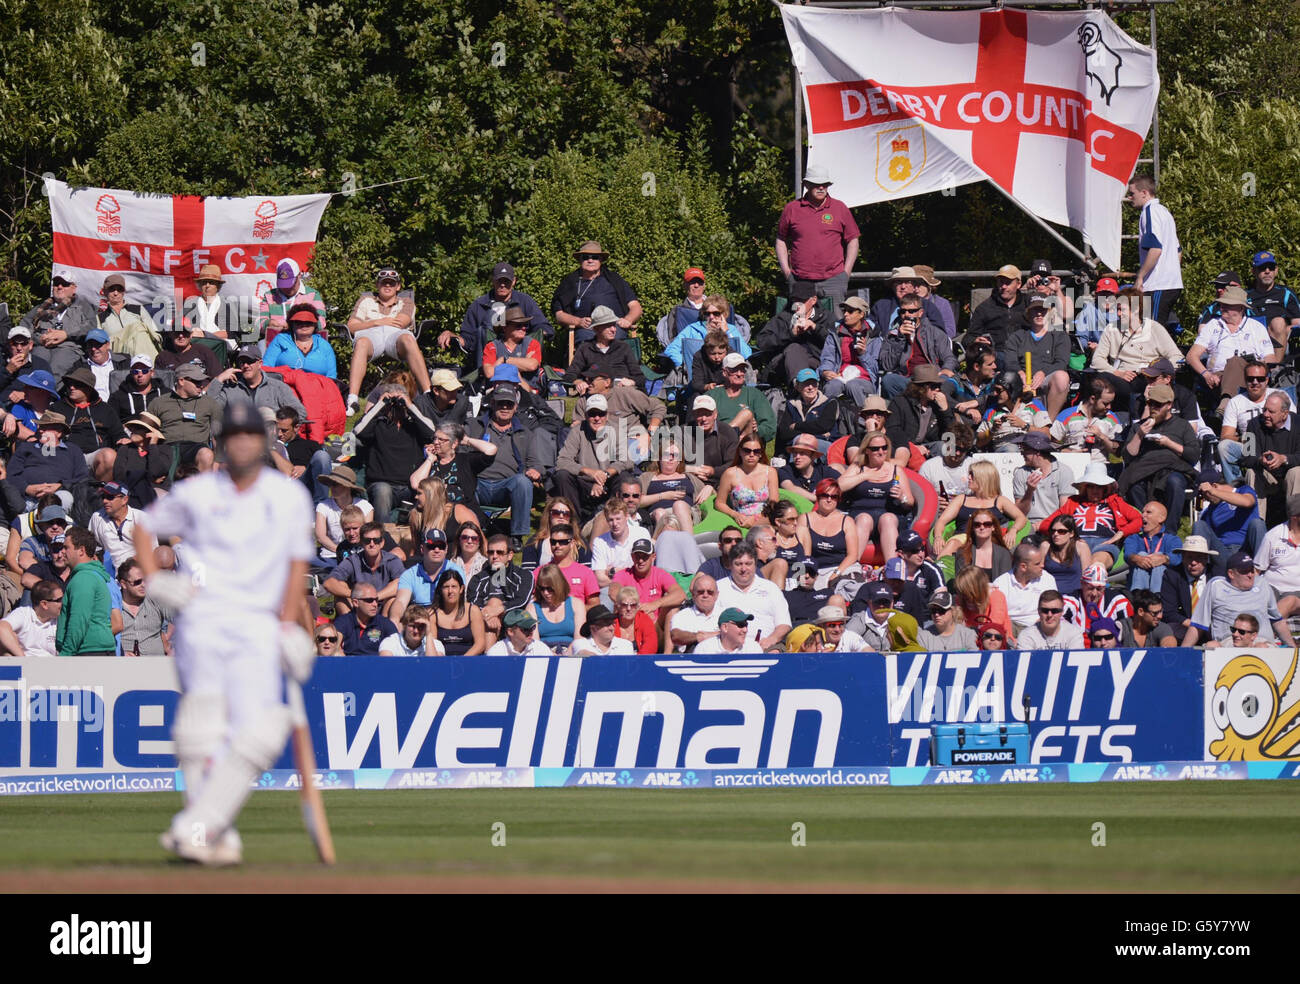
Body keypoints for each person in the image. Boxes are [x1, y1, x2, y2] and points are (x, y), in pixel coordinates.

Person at [132, 397, 315, 864]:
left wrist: (289, 624)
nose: (242, 444)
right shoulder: (197, 493)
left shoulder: (286, 496)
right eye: (233, 437)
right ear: (220, 443)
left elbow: (297, 564)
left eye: (249, 435)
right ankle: (209, 830)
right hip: (204, 619)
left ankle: (200, 826)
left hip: (256, 622)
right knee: (202, 727)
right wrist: (155, 578)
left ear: (264, 440)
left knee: (263, 729)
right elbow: (144, 528)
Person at [342, 269, 426, 414]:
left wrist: (367, 322)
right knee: (361, 342)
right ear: (377, 285)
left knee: (408, 338)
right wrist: (377, 322)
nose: (388, 286)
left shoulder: (406, 302)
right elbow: (352, 326)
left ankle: (427, 394)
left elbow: (402, 322)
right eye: (384, 283)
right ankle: (353, 399)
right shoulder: (365, 301)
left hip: (396, 337)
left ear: (398, 286)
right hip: (371, 337)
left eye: (392, 284)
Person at [775, 165, 860, 306]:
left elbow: (853, 240)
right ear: (806, 185)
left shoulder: (840, 208)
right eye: (816, 184)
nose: (821, 188)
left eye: (825, 184)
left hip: (834, 280)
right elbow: (780, 240)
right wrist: (787, 273)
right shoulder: (792, 209)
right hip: (800, 280)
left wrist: (846, 273)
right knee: (800, 323)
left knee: (835, 325)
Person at [1120, 383, 1198, 536]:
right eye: (1150, 403)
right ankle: (1148, 526)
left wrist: (1169, 443)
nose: (1153, 407)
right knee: (1134, 483)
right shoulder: (1140, 426)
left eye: (1158, 404)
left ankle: (1169, 531)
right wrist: (1139, 435)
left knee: (1175, 482)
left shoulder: (1182, 425)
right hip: (1144, 469)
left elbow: (1193, 455)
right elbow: (1128, 456)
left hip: (1173, 468)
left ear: (1169, 405)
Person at [1090, 287, 1184, 410]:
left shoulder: (1154, 328)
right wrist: (1117, 373)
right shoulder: (1111, 329)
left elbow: (1177, 357)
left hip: (1149, 377)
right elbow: (1097, 360)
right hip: (1122, 377)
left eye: (1121, 310)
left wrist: (1161, 375)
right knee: (1098, 379)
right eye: (1117, 309)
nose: (1118, 314)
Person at [1038, 463, 1141, 571]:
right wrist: (1064, 534)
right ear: (1084, 488)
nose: (1095, 490)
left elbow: (1139, 520)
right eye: (1091, 486)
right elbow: (1046, 525)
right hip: (1076, 544)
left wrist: (1121, 533)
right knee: (1073, 564)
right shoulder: (1073, 502)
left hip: (1105, 543)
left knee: (1095, 566)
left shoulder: (1115, 501)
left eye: (1099, 487)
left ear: (1105, 488)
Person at [455, 261, 552, 374]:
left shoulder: (525, 301)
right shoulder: (479, 305)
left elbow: (545, 329)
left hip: (520, 362)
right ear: (493, 280)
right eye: (499, 280)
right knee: (482, 330)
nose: (502, 285)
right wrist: (455, 338)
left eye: (507, 281)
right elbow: (467, 339)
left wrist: (532, 347)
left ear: (514, 281)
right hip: (486, 364)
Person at [1186, 286, 1276, 407]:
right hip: (1218, 378)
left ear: (1241, 308)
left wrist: (1259, 370)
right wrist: (1206, 374)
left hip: (1251, 378)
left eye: (1228, 304)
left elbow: (1270, 358)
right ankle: (1228, 405)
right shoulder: (1213, 325)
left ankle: (1226, 405)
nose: (1223, 307)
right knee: (1234, 362)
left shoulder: (1256, 327)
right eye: (1222, 304)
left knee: (1235, 362)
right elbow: (1191, 356)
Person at [1183, 551, 1294, 647]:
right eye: (1245, 571)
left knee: (1261, 647)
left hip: (1263, 642)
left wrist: (1294, 650)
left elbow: (1277, 621)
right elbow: (1198, 624)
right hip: (1231, 643)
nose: (1250, 575)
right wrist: (1182, 653)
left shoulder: (1262, 584)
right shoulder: (1216, 586)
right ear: (1231, 573)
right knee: (1212, 645)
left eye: (1252, 570)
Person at [551, 241, 642, 347]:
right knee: (587, 348)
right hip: (587, 331)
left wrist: (628, 320)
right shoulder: (569, 282)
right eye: (585, 257)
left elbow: (636, 307)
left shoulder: (614, 280)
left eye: (594, 257)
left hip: (614, 329)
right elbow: (559, 314)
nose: (590, 260)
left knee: (618, 347)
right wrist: (578, 321)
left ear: (601, 260)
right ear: (580, 260)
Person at [837, 435, 908, 562]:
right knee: (865, 519)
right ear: (867, 450)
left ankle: (893, 569)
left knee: (888, 519)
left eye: (884, 447)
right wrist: (865, 476)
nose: (881, 452)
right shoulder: (858, 467)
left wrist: (902, 497)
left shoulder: (896, 470)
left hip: (888, 516)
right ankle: (851, 566)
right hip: (860, 515)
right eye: (875, 449)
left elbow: (910, 502)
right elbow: (839, 486)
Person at [51, 364, 126, 483]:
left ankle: (101, 494)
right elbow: (45, 434)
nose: (71, 387)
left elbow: (119, 434)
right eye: (69, 383)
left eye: (77, 385)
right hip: (65, 455)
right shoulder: (57, 408)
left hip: (95, 458)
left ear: (88, 388)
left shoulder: (105, 409)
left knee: (109, 455)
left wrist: (123, 439)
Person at [932, 459, 1027, 553]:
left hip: (989, 540)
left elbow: (1021, 518)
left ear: (983, 478)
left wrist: (1013, 530)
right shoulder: (961, 499)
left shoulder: (1000, 501)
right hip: (962, 539)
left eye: (972, 475)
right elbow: (942, 521)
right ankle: (941, 566)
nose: (968, 477)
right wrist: (938, 537)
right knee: (952, 543)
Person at [1126, 174, 1182, 329]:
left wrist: (1141, 276)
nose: (1130, 198)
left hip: (1158, 284)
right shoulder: (1165, 212)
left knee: (1151, 331)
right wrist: (1171, 271)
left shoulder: (1149, 212)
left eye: (1132, 193)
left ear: (1144, 193)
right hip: (1170, 283)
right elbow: (1178, 250)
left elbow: (1155, 248)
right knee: (1157, 331)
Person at [875, 295, 957, 400]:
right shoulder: (893, 335)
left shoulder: (934, 332)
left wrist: (946, 369)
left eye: (911, 311)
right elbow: (887, 365)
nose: (906, 315)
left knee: (946, 382)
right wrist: (900, 338)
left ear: (920, 312)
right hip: (909, 380)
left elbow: (949, 357)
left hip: (932, 378)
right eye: (903, 311)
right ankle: (908, 410)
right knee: (889, 380)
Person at [1001, 296, 1072, 417]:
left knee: (1062, 377)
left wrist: (1043, 372)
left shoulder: (1060, 336)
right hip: (1022, 380)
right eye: (1035, 310)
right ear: (1028, 314)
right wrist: (1019, 372)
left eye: (1043, 310)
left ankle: (1049, 423)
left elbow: (1062, 362)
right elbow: (1009, 360)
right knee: (1006, 377)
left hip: (1046, 378)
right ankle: (1010, 419)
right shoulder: (1018, 336)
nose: (1039, 314)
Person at [8, 411, 90, 514]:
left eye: (45, 428)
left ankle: (43, 518)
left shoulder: (73, 451)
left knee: (65, 497)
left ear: (59, 432)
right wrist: (26, 488)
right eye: (40, 427)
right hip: (26, 499)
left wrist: (60, 486)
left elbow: (82, 479)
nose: (40, 430)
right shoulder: (26, 447)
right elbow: (11, 475)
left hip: (57, 497)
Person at [1237, 392, 1300, 526]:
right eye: (1264, 409)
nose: (1265, 414)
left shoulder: (1298, 424)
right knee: (1251, 473)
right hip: (1267, 477)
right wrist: (1260, 460)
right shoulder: (1253, 424)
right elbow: (1245, 458)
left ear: (1285, 413)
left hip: (1290, 478)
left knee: (1296, 472)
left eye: (1271, 412)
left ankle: (1295, 527)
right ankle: (1255, 527)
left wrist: (1284, 459)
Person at [22, 269, 98, 377]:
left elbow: (91, 326)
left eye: (65, 284)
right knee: (37, 369)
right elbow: (24, 327)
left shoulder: (84, 306)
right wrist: (39, 339)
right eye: (56, 284)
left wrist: (66, 334)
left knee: (55, 370)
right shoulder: (41, 308)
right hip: (42, 346)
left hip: (69, 348)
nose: (60, 287)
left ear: (74, 288)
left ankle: (49, 393)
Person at [716, 543, 791, 652]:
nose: (743, 568)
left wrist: (772, 639)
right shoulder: (718, 588)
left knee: (775, 653)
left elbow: (784, 624)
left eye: (748, 563)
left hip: (766, 647)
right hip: (727, 647)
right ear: (730, 565)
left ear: (755, 564)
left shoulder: (771, 588)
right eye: (738, 564)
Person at [662, 294, 751, 384]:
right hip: (699, 374)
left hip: (726, 376)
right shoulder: (693, 329)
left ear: (724, 314)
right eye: (707, 313)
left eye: (716, 313)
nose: (711, 317)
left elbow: (746, 354)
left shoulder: (731, 329)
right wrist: (686, 366)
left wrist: (726, 332)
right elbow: (671, 349)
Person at [322, 521, 405, 615]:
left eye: (376, 540)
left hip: (383, 607)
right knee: (340, 597)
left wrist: (374, 597)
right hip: (359, 608)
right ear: (361, 542)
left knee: (393, 598)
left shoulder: (392, 560)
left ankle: (387, 627)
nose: (372, 544)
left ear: (382, 543)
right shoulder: (353, 561)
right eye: (367, 540)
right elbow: (328, 583)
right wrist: (357, 595)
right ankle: (351, 627)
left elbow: (402, 583)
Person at [1192, 467, 1265, 573]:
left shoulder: (1243, 490)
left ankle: (1260, 571)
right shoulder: (1210, 511)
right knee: (1199, 525)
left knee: (1258, 523)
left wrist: (1213, 491)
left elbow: (1247, 502)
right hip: (1224, 554)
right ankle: (1201, 575)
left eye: (1204, 494)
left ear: (1214, 486)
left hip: (1247, 549)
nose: (1205, 499)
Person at [755, 288, 832, 388]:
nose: (797, 305)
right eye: (795, 301)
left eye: (802, 301)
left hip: (817, 362)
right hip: (785, 362)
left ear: (813, 300)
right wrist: (790, 334)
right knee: (794, 348)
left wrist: (815, 328)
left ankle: (802, 391)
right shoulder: (782, 318)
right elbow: (762, 342)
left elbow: (837, 343)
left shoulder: (826, 317)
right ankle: (800, 389)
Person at [1218, 359, 1279, 483]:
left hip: (1277, 443)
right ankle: (1238, 489)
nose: (1255, 382)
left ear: (1267, 380)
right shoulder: (1236, 402)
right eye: (1250, 379)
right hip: (1250, 445)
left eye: (1260, 379)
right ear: (1245, 380)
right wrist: (1244, 438)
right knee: (1224, 447)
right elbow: (1225, 436)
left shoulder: (1279, 397)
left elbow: (1292, 425)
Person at [468, 533, 535, 644]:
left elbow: (521, 600)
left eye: (499, 552)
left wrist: (500, 610)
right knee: (491, 617)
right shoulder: (478, 579)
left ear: (510, 555)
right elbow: (474, 602)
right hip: (487, 623)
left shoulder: (524, 575)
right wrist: (488, 616)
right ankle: (490, 660)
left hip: (516, 620)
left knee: (495, 604)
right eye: (490, 552)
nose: (494, 556)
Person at [390, 528, 465, 625]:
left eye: (441, 546)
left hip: (447, 622)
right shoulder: (410, 574)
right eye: (431, 546)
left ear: (446, 549)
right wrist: (394, 619)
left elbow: (460, 605)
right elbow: (400, 602)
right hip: (418, 623)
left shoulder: (456, 572)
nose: (437, 550)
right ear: (422, 549)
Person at [884, 365, 954, 468]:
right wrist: (913, 448)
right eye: (934, 386)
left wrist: (945, 411)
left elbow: (950, 437)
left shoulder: (937, 405)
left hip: (928, 447)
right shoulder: (900, 403)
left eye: (939, 386)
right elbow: (893, 432)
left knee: (947, 447)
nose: (938, 389)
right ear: (922, 388)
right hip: (904, 447)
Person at [799, 478, 860, 585]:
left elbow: (853, 555)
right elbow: (801, 552)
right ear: (818, 496)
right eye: (825, 495)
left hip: (842, 568)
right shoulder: (804, 519)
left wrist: (836, 573)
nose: (829, 499)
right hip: (816, 570)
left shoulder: (847, 521)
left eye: (834, 497)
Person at [707, 353, 775, 445]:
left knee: (746, 415)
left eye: (742, 369)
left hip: (747, 446)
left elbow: (770, 427)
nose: (739, 374)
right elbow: (700, 423)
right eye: (734, 370)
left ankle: (729, 443)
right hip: (716, 444)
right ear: (724, 372)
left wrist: (757, 429)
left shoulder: (755, 395)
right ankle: (726, 442)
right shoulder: (712, 395)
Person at [819, 296, 876, 406]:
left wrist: (863, 354)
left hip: (865, 379)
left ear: (861, 314)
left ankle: (863, 418)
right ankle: (825, 420)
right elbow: (828, 357)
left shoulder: (874, 335)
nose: (845, 314)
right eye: (844, 311)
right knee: (832, 386)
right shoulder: (835, 332)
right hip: (839, 375)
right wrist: (826, 371)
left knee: (853, 385)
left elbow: (876, 367)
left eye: (850, 311)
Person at [714, 437, 778, 531]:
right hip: (741, 520)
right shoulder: (730, 474)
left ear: (761, 454)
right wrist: (735, 515)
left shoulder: (770, 472)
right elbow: (719, 503)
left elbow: (774, 504)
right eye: (746, 450)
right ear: (740, 452)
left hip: (765, 518)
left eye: (756, 451)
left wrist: (756, 519)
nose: (751, 455)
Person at [976, 370, 1051, 452]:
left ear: (1012, 389)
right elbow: (979, 442)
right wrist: (992, 430)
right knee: (1011, 449)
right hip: (1004, 452)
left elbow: (1047, 435)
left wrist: (1024, 425)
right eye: (994, 389)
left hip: (1030, 450)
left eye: (998, 390)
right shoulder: (992, 410)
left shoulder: (1034, 405)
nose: (994, 394)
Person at [992, 541, 1057, 633]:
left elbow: (1053, 608)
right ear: (1023, 567)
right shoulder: (1001, 583)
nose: (1042, 566)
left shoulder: (1047, 579)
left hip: (1039, 626)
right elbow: (998, 616)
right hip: (1009, 627)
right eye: (1037, 564)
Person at [1051, 378, 1120, 463]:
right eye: (1105, 404)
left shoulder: (1112, 418)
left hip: (1099, 467)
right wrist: (1068, 452)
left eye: (1111, 403)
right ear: (1092, 399)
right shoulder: (1067, 415)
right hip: (1072, 463)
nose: (1109, 407)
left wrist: (1102, 436)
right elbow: (1051, 445)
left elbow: (1118, 452)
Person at [962, 264, 1026, 356]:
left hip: (1024, 353)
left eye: (1008, 282)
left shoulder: (1028, 304)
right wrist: (975, 340)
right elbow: (968, 338)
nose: (1003, 286)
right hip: (997, 355)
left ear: (1018, 284)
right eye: (1000, 282)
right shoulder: (984, 308)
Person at [263, 301, 338, 380]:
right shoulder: (280, 339)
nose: (304, 325)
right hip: (285, 386)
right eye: (299, 322)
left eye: (308, 322)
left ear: (315, 324)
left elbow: (331, 376)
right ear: (292, 324)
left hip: (318, 387)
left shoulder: (324, 345)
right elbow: (266, 368)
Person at [482, 303, 544, 394]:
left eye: (525, 325)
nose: (523, 328)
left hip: (526, 391)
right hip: (499, 391)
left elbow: (532, 365)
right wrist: (523, 362)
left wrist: (503, 360)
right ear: (505, 328)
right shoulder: (491, 346)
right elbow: (489, 373)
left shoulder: (532, 344)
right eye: (518, 325)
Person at [1247, 249, 1300, 354]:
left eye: (1270, 268)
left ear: (1276, 270)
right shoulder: (1245, 296)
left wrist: (1280, 331)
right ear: (1254, 271)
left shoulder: (1286, 293)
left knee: (1278, 322)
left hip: (1278, 344)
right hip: (1251, 343)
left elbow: (1298, 323)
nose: (1267, 271)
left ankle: (1275, 365)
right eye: (1262, 268)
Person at [88, 480, 149, 572]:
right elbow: (92, 546)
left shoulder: (141, 518)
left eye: (110, 497)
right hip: (108, 572)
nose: (105, 501)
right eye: (103, 497)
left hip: (138, 572)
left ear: (124, 500)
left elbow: (151, 550)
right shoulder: (97, 517)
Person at [1161, 536, 1215, 637]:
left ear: (1206, 558)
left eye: (1198, 558)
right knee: (1169, 630)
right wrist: (1195, 626)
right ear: (1183, 557)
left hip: (1212, 626)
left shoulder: (1216, 575)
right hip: (1185, 626)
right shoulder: (1172, 575)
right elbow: (1169, 612)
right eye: (1189, 557)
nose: (1193, 563)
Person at [116, 558, 171, 656]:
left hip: (155, 665)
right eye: (137, 582)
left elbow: (179, 616)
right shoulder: (114, 606)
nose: (143, 585)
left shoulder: (154, 599)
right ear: (123, 584)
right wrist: (121, 653)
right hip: (125, 666)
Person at [1122, 502, 1182, 593]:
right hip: (1138, 580)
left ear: (1161, 518)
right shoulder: (1134, 538)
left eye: (1148, 512)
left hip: (1165, 584)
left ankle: (1157, 597)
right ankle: (1139, 597)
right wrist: (1136, 558)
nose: (1142, 515)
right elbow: (1128, 554)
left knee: (1159, 558)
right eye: (1142, 512)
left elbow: (1178, 557)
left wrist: (1165, 558)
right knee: (1141, 555)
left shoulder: (1172, 539)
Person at [98, 273, 162, 358]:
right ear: (105, 292)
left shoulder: (138, 310)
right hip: (119, 359)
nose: (116, 293)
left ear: (123, 292)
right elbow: (101, 344)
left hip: (145, 354)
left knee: (139, 328)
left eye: (119, 289)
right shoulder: (100, 318)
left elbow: (155, 335)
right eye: (112, 289)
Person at [1011, 432, 1069, 524]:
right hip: (1027, 525)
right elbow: (1019, 513)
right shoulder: (1021, 473)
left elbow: (1065, 510)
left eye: (1025, 449)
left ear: (1037, 451)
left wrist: (1044, 525)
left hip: (1054, 525)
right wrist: (1029, 491)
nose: (1021, 453)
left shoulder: (1063, 471)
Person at [1063, 563, 1135, 638]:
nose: (1094, 594)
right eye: (1090, 588)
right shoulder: (1068, 602)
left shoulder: (1119, 603)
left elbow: (1129, 637)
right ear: (1082, 584)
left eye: (1099, 589)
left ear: (1104, 587)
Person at [530, 563, 584, 655]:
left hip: (572, 652)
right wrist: (550, 655)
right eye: (542, 589)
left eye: (549, 589)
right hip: (543, 653)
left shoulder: (576, 604)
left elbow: (579, 638)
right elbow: (535, 642)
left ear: (559, 585)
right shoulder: (533, 607)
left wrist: (567, 654)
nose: (546, 593)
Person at [951, 566, 1014, 644]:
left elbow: (994, 628)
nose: (963, 596)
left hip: (997, 643)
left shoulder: (996, 596)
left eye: (966, 592)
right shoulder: (960, 598)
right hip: (970, 642)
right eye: (961, 592)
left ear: (976, 589)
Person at [686, 395, 740, 488]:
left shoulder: (728, 432)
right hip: (690, 480)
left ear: (715, 414)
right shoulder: (684, 431)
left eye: (708, 414)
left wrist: (713, 471)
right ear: (694, 415)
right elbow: (670, 461)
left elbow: (734, 464)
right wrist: (692, 469)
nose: (704, 419)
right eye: (699, 414)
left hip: (720, 482)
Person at [0, 578, 62, 658]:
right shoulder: (24, 613)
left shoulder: (61, 619)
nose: (63, 603)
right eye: (59, 600)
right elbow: (2, 628)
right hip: (25, 665)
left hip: (54, 666)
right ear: (44, 604)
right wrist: (22, 658)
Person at [947, 509, 1013, 582]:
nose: (982, 527)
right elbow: (961, 584)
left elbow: (1005, 584)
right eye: (977, 524)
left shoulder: (1003, 554)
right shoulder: (963, 553)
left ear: (993, 527)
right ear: (972, 528)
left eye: (987, 524)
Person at [429, 568, 485, 656]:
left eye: (454, 586)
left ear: (461, 589)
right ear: (440, 589)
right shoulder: (432, 614)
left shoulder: (473, 611)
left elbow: (480, 644)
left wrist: (462, 661)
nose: (450, 591)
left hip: (469, 661)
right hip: (442, 662)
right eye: (446, 587)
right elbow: (432, 644)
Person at [333, 582, 399, 655]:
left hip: (377, 665)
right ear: (356, 602)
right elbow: (333, 644)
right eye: (369, 600)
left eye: (376, 600)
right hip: (349, 664)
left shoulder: (384, 623)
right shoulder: (344, 621)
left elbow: (397, 646)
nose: (375, 604)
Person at [777, 432, 838, 507]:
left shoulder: (823, 471)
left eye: (802, 453)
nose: (797, 457)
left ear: (814, 456)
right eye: (795, 453)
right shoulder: (786, 470)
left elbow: (840, 483)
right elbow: (790, 488)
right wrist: (819, 498)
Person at [183, 263, 239, 341]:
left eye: (211, 282)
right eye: (204, 282)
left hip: (221, 346)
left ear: (218, 286)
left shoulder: (227, 305)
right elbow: (183, 328)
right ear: (200, 285)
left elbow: (232, 332)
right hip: (194, 346)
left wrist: (206, 335)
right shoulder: (191, 305)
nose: (207, 285)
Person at [668, 573, 723, 652]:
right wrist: (698, 637)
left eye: (710, 592)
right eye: (700, 592)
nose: (705, 595)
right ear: (693, 594)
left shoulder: (725, 614)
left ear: (717, 595)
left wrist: (709, 636)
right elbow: (675, 636)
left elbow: (736, 635)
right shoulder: (682, 615)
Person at [1015, 590, 1085, 649]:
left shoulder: (1074, 634)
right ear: (1039, 611)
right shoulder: (1027, 636)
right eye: (1045, 610)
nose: (1049, 615)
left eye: (1054, 611)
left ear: (1062, 612)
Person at [1041, 515, 1091, 597]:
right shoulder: (1046, 546)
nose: (1055, 534)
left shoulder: (1081, 546)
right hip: (1050, 597)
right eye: (1053, 531)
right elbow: (1037, 572)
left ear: (1071, 533)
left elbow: (1087, 576)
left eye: (1061, 531)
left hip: (1075, 596)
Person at [1073, 276, 1121, 353]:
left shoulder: (1122, 310)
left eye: (1110, 295)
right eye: (1103, 295)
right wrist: (1089, 346)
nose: (1106, 299)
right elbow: (1081, 337)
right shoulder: (1088, 309)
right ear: (1096, 295)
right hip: (1096, 353)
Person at [378, 605, 444, 657]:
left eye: (421, 627)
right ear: (404, 625)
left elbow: (434, 667)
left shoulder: (436, 644)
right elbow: (386, 668)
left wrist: (429, 634)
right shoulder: (390, 642)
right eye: (412, 626)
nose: (416, 631)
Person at [485, 608, 555, 656]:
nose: (531, 631)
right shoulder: (496, 652)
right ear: (511, 632)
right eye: (526, 628)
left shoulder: (540, 648)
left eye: (533, 627)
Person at [611, 584, 658, 654]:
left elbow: (651, 647)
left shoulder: (645, 620)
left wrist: (636, 662)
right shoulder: (611, 623)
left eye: (633, 605)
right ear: (618, 606)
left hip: (640, 661)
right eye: (624, 605)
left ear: (638, 606)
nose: (629, 609)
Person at [691, 607, 756, 655]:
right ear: (725, 627)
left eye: (746, 625)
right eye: (740, 625)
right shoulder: (704, 649)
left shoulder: (753, 648)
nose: (745, 630)